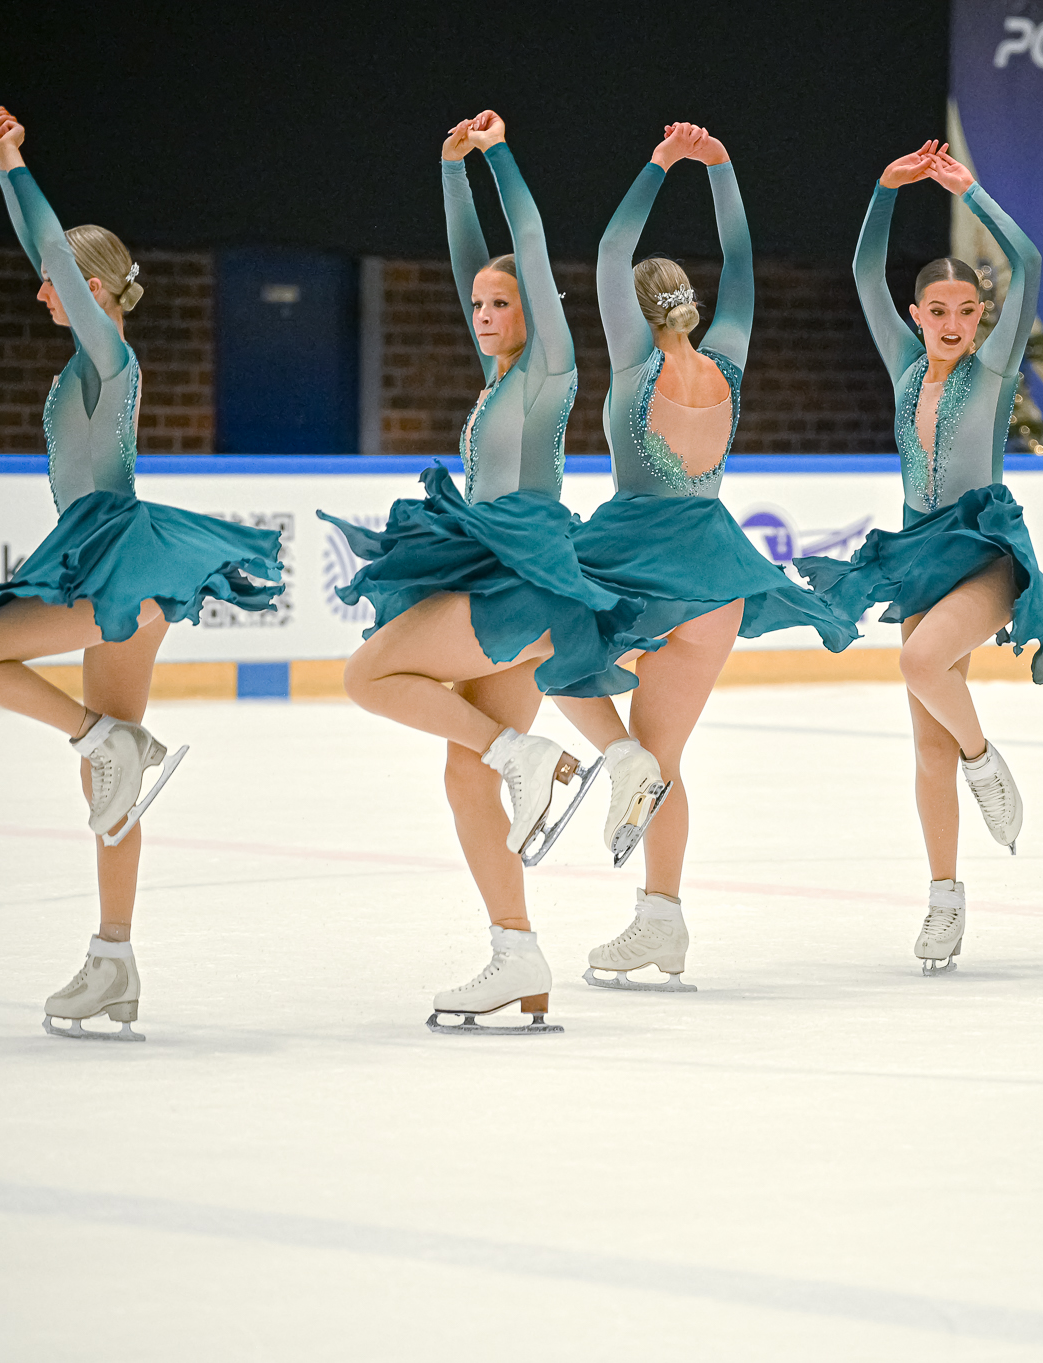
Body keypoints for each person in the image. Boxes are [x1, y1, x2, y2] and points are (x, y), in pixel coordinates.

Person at [0, 108, 286, 1039]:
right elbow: (46, 253)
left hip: (114, 561)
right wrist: (4, 173)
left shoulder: (108, 354)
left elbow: (50, 248)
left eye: (54, 282)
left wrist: (15, 167)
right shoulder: (94, 356)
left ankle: (100, 738)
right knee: (106, 780)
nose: (40, 291)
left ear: (89, 289)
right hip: (117, 562)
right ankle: (114, 958)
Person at [316, 111, 662, 1035]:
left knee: (369, 673)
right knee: (463, 774)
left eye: (501, 305)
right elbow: (472, 258)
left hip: (519, 571)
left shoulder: (549, 367)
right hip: (497, 560)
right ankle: (518, 952)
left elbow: (527, 250)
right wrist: (449, 170)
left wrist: (501, 156)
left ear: (534, 312)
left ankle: (529, 755)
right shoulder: (501, 371)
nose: (485, 316)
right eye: (477, 307)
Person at [548, 123, 858, 992]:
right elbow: (744, 259)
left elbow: (612, 248)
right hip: (716, 576)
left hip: (632, 553)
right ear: (688, 304)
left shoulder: (634, 361)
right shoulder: (728, 360)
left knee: (544, 642)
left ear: (636, 310)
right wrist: (720, 169)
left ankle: (619, 760)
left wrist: (658, 163)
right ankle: (663, 921)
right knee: (665, 762)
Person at [795, 141, 1043, 975]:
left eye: (967, 310)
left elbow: (1027, 262)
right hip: (919, 551)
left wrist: (971, 192)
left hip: (983, 550)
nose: (953, 324)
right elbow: (862, 267)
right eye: (938, 310)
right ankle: (944, 897)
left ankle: (986, 762)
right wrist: (884, 186)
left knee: (919, 664)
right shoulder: (905, 365)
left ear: (982, 317)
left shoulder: (995, 368)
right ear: (917, 315)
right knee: (925, 745)